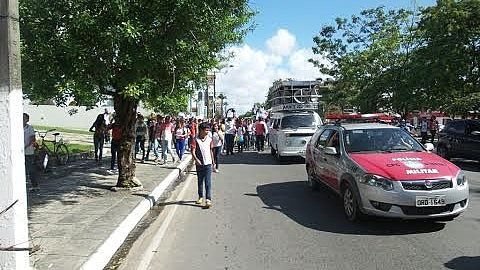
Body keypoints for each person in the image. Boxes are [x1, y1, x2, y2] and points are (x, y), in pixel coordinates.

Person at [192, 122, 215, 208]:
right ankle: (200, 196)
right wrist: (196, 159)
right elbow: (192, 151)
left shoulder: (209, 139)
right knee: (200, 181)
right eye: (206, 130)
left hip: (208, 164)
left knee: (208, 182)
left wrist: (213, 163)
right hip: (199, 164)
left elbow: (211, 151)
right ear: (201, 130)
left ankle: (208, 199)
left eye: (208, 130)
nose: (207, 131)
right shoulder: (195, 140)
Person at [23, 113, 39, 191]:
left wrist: (25, 146)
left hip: (28, 152)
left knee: (30, 169)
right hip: (19, 152)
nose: (22, 120)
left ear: (27, 120)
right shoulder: (16, 127)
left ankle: (35, 186)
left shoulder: (30, 128)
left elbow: (33, 139)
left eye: (24, 118)